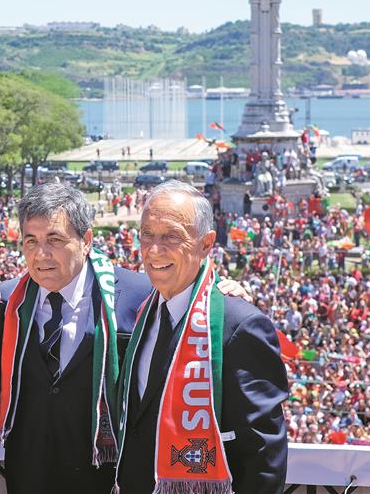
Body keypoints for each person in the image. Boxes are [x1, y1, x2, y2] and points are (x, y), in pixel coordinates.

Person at [0, 184, 251, 494]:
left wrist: (217, 292)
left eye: (55, 240)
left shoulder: (137, 295)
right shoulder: (4, 302)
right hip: (28, 478)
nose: (41, 254)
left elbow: (186, 297)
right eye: (31, 241)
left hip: (109, 479)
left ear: (86, 240)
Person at [114, 180, 288, 494]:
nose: (154, 250)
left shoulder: (238, 325)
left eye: (171, 237)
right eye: (147, 235)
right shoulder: (141, 310)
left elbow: (264, 453)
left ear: (206, 244)